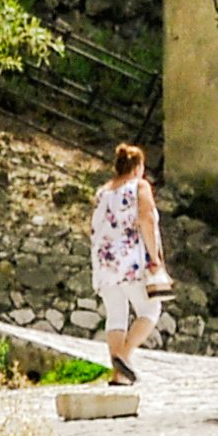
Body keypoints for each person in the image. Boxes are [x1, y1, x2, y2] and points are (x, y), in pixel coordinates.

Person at [91, 143, 170, 382]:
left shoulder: (102, 192)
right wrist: (154, 257)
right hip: (131, 260)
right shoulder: (139, 186)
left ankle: (119, 375)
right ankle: (124, 357)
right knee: (150, 309)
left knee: (116, 315)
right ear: (137, 168)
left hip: (104, 262)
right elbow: (146, 220)